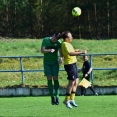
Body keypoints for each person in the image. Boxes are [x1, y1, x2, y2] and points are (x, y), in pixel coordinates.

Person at [61, 31, 87, 109]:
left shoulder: (69, 44)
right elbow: (70, 53)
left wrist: (76, 50)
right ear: (66, 38)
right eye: (70, 36)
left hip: (73, 63)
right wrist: (81, 52)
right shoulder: (64, 44)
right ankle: (66, 100)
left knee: (76, 81)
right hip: (69, 64)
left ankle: (72, 99)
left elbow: (71, 51)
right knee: (71, 82)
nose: (72, 37)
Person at [41, 32, 63, 105]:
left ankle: (57, 96)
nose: (54, 41)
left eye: (55, 40)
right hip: (47, 63)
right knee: (49, 78)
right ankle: (52, 97)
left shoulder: (59, 43)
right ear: (53, 35)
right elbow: (42, 50)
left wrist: (60, 58)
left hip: (55, 63)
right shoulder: (45, 40)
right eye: (54, 39)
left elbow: (61, 52)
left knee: (55, 78)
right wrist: (49, 50)